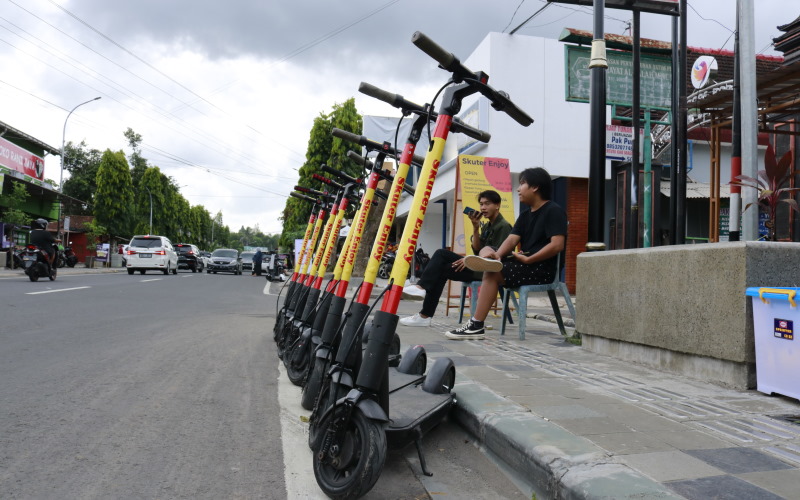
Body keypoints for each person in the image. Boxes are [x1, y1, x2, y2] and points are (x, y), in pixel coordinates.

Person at [445, 167, 567, 340]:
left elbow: (557, 245)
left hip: (541, 268)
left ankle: (476, 325)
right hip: (523, 263)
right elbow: (511, 240)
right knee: (489, 251)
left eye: (522, 183)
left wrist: (529, 259)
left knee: (493, 272)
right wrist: (498, 255)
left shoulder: (553, 210)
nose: (518, 188)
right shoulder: (525, 215)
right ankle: (487, 260)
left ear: (535, 187)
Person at [399, 190, 513, 327]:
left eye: (487, 204)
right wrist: (476, 227)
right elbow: (477, 250)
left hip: (489, 272)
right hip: (478, 265)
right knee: (441, 270)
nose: (483, 208)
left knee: (441, 253)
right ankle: (424, 315)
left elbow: (495, 258)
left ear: (497, 205)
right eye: (481, 204)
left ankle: (422, 289)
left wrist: (469, 261)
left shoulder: (504, 226)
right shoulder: (488, 226)